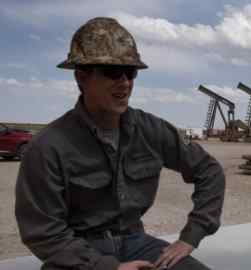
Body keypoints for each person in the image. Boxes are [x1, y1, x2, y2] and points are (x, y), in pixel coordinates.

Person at [15, 17, 225, 270]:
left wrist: (190, 237)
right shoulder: (48, 146)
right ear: (81, 77)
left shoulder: (150, 130)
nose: (124, 82)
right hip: (78, 256)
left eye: (130, 72)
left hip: (137, 243)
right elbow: (44, 233)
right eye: (113, 72)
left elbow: (208, 171)